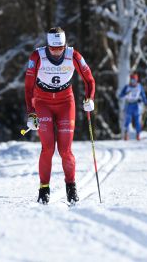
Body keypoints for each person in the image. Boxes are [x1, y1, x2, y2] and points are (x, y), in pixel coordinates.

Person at [24, 27, 96, 204]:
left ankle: (71, 188)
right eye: (53, 49)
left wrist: (89, 98)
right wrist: (31, 113)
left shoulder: (74, 56)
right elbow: (28, 87)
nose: (56, 52)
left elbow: (89, 80)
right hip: (42, 102)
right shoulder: (36, 57)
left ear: (65, 45)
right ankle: (44, 190)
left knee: (65, 150)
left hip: (65, 102)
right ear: (47, 45)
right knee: (47, 147)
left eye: (60, 48)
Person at [119, 73, 147, 140]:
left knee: (137, 121)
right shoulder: (127, 87)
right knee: (128, 120)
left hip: (136, 105)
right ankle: (126, 134)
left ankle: (138, 134)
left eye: (134, 80)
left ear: (137, 80)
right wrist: (126, 94)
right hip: (129, 105)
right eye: (132, 80)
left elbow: (143, 95)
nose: (133, 82)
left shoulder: (139, 86)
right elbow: (120, 95)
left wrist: (145, 102)